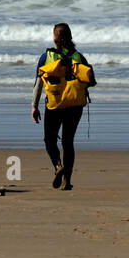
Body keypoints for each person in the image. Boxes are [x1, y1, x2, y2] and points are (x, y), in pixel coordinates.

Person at [31, 23, 95, 190]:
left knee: (49, 139)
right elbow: (89, 82)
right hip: (75, 105)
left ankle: (58, 166)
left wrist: (34, 106)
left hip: (55, 105)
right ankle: (67, 180)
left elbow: (38, 85)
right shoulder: (79, 57)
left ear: (55, 38)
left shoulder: (47, 57)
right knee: (68, 142)